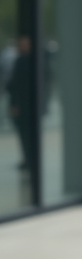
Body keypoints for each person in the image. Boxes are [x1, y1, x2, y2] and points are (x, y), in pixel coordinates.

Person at [6, 35, 38, 171]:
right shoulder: (32, 61)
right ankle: (29, 159)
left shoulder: (23, 61)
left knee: (25, 135)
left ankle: (29, 159)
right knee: (26, 135)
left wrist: (15, 104)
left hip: (24, 106)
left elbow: (17, 85)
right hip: (28, 106)